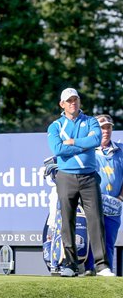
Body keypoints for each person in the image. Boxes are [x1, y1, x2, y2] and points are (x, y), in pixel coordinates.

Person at [47, 87, 115, 277]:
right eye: (69, 100)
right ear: (62, 104)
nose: (73, 103)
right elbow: (57, 149)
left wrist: (71, 142)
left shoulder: (91, 121)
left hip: (88, 177)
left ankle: (102, 266)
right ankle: (70, 265)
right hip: (66, 177)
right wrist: (80, 144)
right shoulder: (55, 126)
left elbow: (95, 141)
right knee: (67, 222)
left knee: (96, 220)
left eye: (75, 99)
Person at [83, 114, 123, 276]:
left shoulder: (120, 150)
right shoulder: (87, 151)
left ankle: (105, 277)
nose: (106, 131)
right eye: (102, 128)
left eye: (108, 127)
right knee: (91, 240)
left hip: (114, 205)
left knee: (108, 243)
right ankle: (88, 271)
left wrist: (120, 197)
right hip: (92, 203)